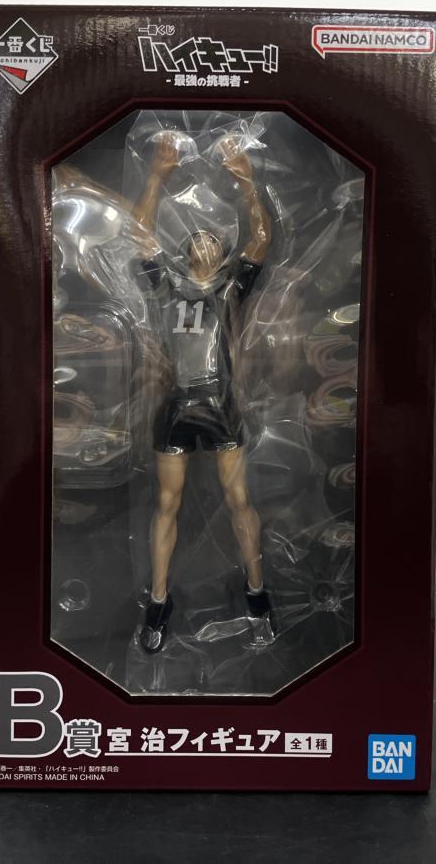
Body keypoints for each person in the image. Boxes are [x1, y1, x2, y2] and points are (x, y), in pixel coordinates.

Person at [131, 131, 273, 654]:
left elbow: (260, 238)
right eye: (198, 239)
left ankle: (257, 594)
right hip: (175, 406)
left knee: (239, 500)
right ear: (187, 251)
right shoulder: (166, 285)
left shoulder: (233, 287)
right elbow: (140, 233)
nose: (206, 243)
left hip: (220, 404)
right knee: (166, 504)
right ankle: (158, 601)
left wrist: (247, 181)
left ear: (222, 252)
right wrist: (157, 175)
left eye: (214, 239)